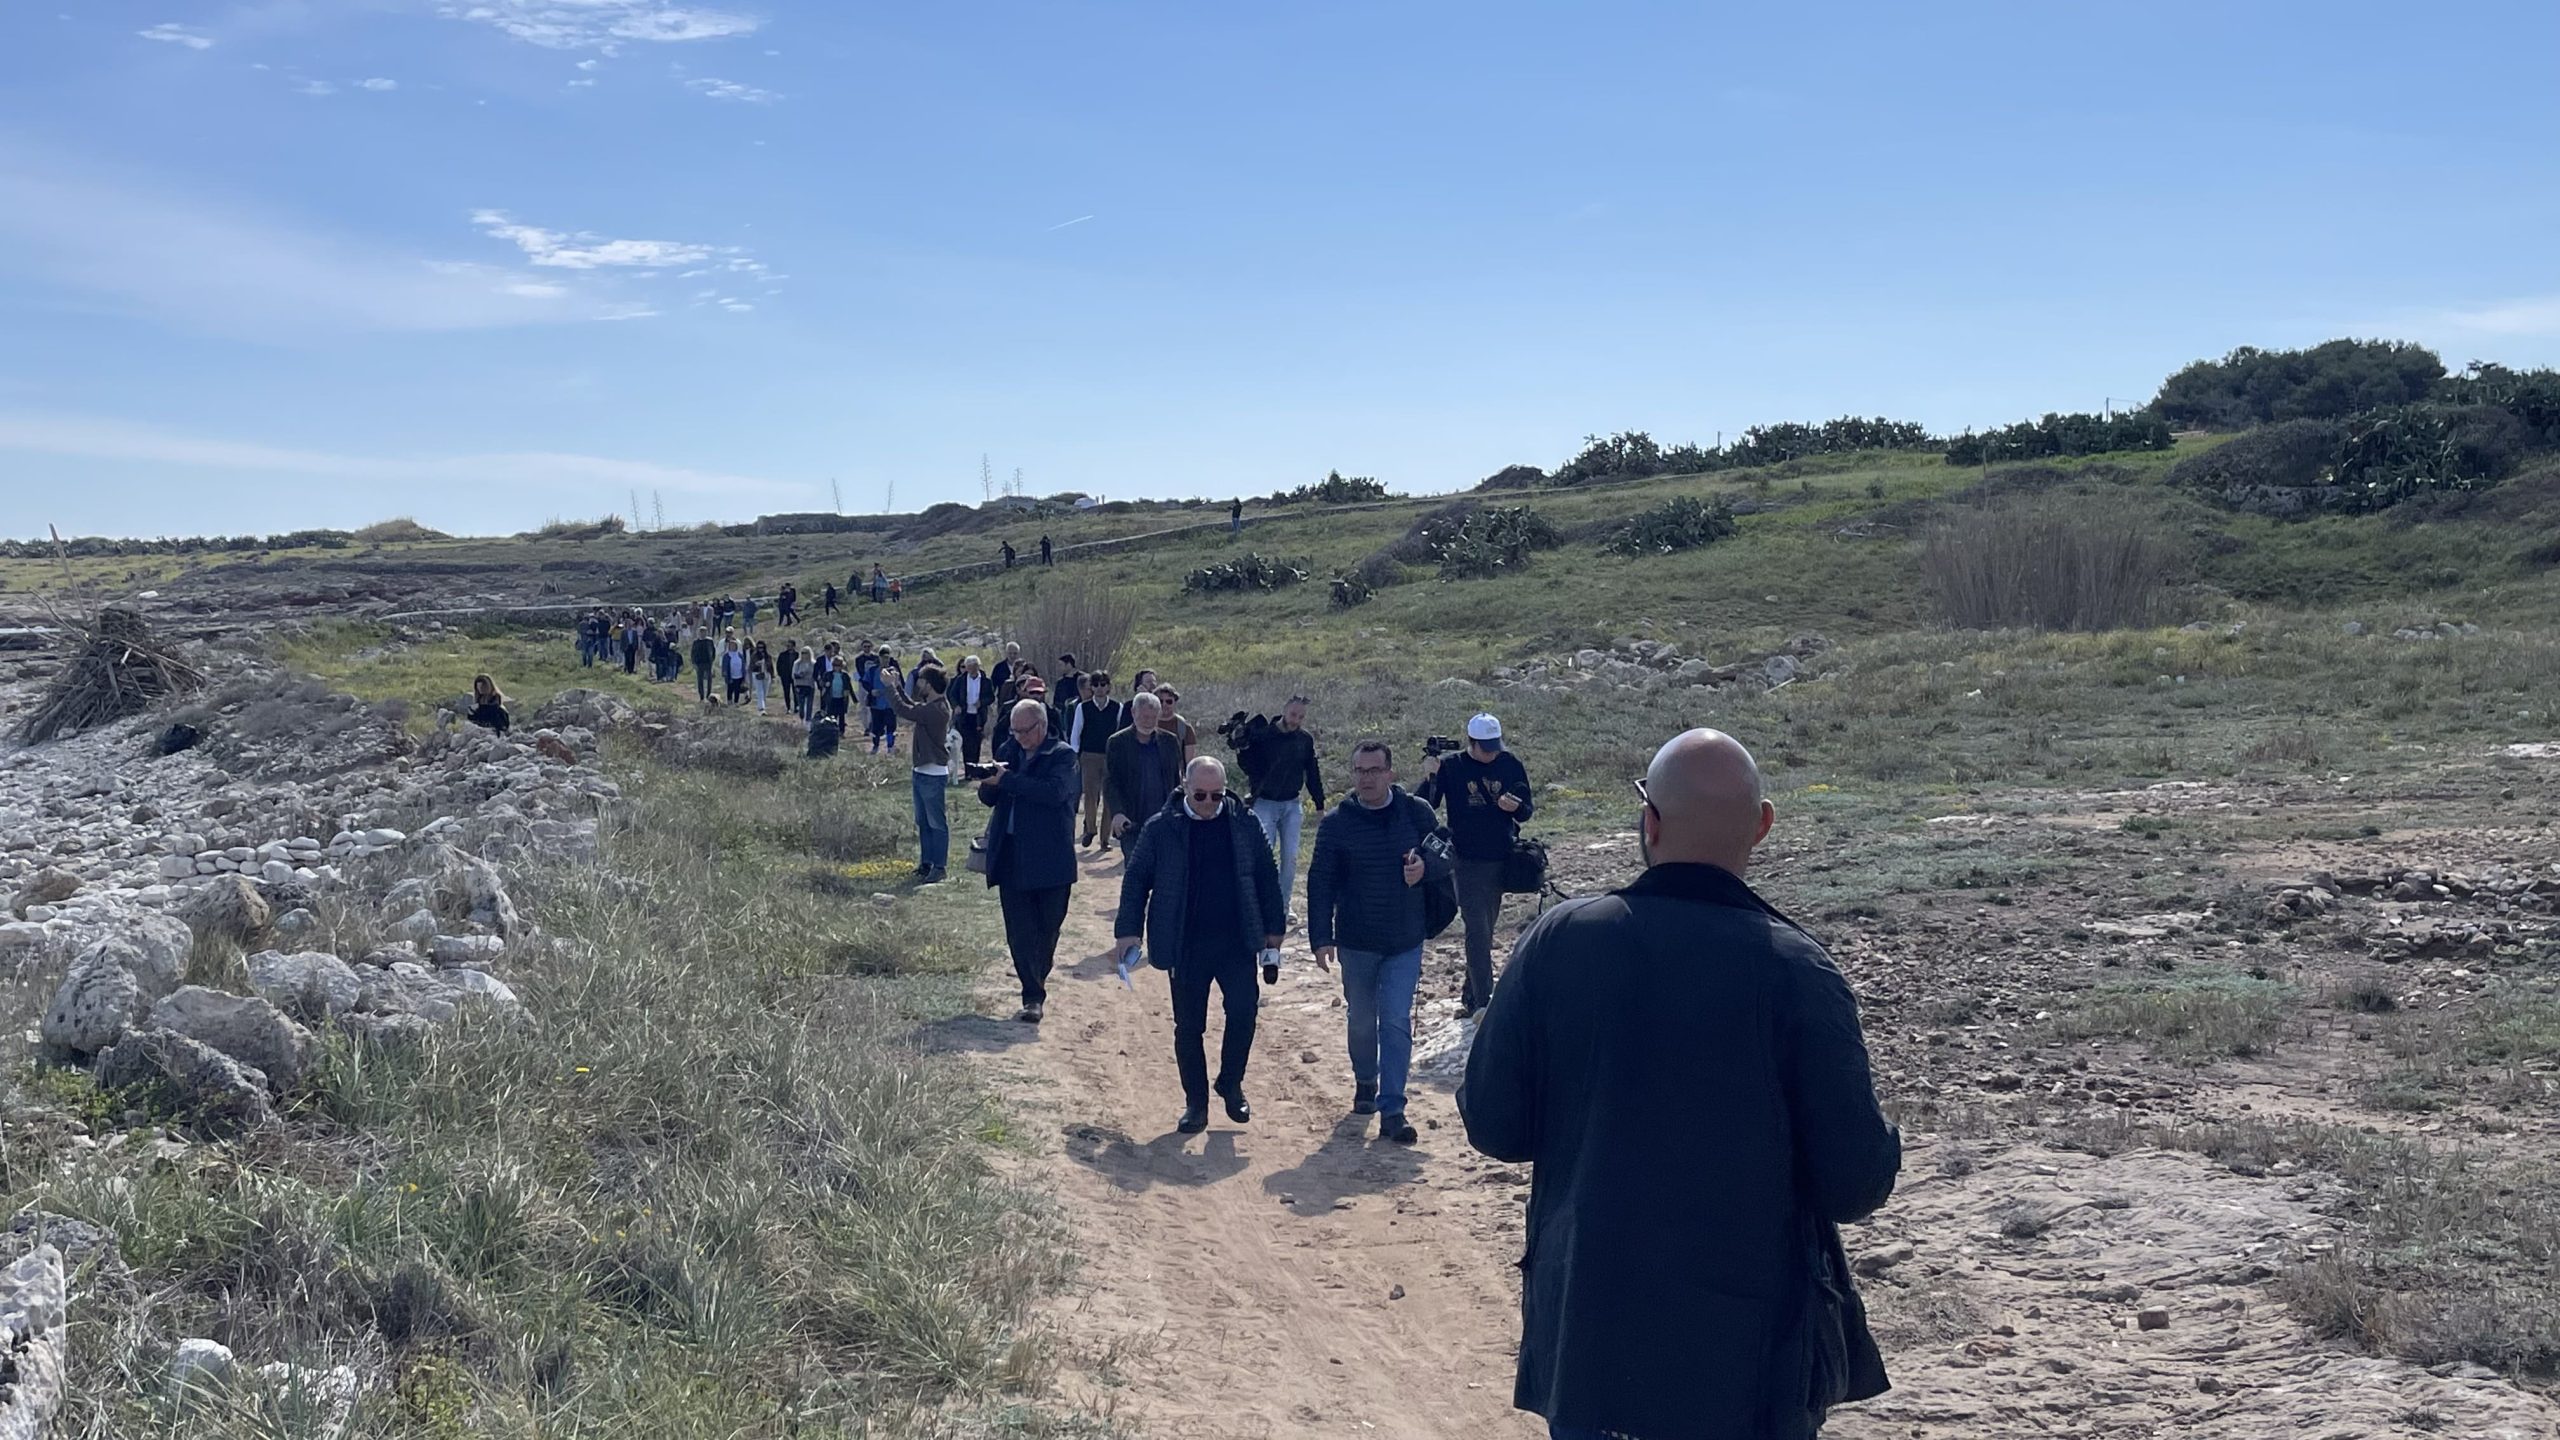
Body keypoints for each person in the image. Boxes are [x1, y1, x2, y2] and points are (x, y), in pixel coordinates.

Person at [1462, 729, 1900, 1440]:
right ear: (1762, 826)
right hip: (1752, 1365)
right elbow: (1855, 1185)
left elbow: (1494, 1125)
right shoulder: (1799, 971)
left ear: (1650, 821)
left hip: (1593, 1345)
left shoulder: (1558, 941)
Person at [1110, 756, 1284, 1134]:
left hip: (1236, 939)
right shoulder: (1161, 828)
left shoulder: (1244, 823)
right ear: (1185, 788)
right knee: (1189, 1026)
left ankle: (1231, 1082)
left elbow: (1267, 876)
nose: (1209, 804)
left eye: (1216, 796)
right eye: (1201, 795)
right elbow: (1137, 879)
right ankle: (1196, 1103)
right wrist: (1128, 930)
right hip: (1185, 942)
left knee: (1244, 1011)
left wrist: (1274, 929)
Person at [1308, 740, 1444, 1144]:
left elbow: (1446, 852)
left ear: (1390, 773)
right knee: (1362, 1021)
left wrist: (1425, 867)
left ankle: (1393, 1109)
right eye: (1359, 771)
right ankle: (1366, 1080)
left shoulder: (1416, 813)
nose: (1366, 778)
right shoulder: (1337, 823)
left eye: (1374, 770)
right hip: (1357, 941)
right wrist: (1321, 937)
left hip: (1405, 938)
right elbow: (1320, 883)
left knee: (1397, 1021)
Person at [1417, 712, 1536, 1019]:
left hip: (1501, 856)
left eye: (1495, 746)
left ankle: (1471, 995)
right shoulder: (1452, 767)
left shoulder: (1510, 764)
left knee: (1487, 925)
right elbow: (1426, 805)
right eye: (1486, 747)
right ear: (1471, 743)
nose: (1492, 752)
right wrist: (1431, 775)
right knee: (1478, 930)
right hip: (1466, 860)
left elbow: (1526, 811)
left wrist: (1517, 807)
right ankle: (1485, 1003)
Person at [980, 699, 1081, 1023]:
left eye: (1025, 731)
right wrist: (987, 779)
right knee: (1019, 932)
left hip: (1051, 859)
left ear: (1041, 726)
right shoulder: (1009, 749)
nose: (1020, 737)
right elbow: (988, 798)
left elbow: (1053, 793)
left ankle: (1038, 978)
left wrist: (1007, 781)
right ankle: (1032, 996)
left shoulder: (1063, 755)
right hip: (1011, 854)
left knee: (1048, 928)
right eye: (1015, 730)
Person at [1245, 696, 1325, 923]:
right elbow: (1249, 766)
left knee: (1290, 859)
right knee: (1264, 856)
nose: (1296, 720)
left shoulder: (1304, 739)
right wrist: (1243, 745)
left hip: (1292, 803)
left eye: (1301, 717)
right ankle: (1262, 904)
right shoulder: (1265, 736)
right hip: (1265, 803)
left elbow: (1312, 771)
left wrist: (1319, 804)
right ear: (1284, 711)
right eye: (1293, 715)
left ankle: (1283, 905)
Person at [884, 665, 955, 879]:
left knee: (936, 823)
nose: (918, 684)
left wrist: (890, 688)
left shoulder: (938, 709)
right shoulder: (931, 706)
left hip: (932, 774)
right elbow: (913, 706)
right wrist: (897, 686)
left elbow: (906, 710)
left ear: (930, 685)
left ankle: (939, 867)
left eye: (922, 681)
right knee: (924, 822)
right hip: (922, 771)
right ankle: (927, 863)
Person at [1105, 692, 1182, 854]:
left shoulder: (1170, 741)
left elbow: (1176, 781)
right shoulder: (1117, 742)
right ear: (1133, 713)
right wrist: (1117, 813)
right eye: (1144, 717)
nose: (1148, 722)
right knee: (1136, 874)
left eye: (1153, 718)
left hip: (1164, 821)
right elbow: (1112, 782)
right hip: (1132, 822)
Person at [1067, 671, 1123, 849]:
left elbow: (1119, 732)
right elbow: (1076, 733)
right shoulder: (1083, 708)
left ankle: (1104, 839)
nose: (1099, 688)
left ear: (1109, 687)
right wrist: (1075, 755)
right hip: (1089, 755)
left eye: (1103, 684)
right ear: (1091, 687)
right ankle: (1090, 828)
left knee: (1109, 798)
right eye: (1096, 684)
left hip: (1110, 756)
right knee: (1090, 795)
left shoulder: (1117, 707)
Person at [951, 655, 996, 767]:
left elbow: (991, 697)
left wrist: (982, 702)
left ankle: (975, 766)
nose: (972, 669)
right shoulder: (960, 680)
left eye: (974, 666)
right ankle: (968, 769)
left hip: (979, 716)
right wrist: (956, 706)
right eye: (969, 667)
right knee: (966, 742)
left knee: (976, 741)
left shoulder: (986, 681)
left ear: (978, 666)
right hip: (965, 715)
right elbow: (952, 694)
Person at [864, 653, 901, 753]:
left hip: (890, 704)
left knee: (891, 726)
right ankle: (875, 746)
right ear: (879, 658)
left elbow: (899, 685)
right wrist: (871, 691)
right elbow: (865, 682)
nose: (885, 660)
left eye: (887, 658)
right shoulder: (872, 671)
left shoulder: (893, 671)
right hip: (876, 704)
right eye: (883, 658)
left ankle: (890, 746)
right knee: (876, 727)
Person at [1155, 684, 1198, 766]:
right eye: (1160, 701)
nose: (1164, 705)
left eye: (1169, 701)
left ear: (1175, 702)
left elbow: (1190, 762)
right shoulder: (1146, 724)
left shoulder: (1184, 727)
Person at [690, 628, 717, 704]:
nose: (702, 633)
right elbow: (693, 653)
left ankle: (709, 695)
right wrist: (694, 663)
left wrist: (712, 660)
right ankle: (701, 696)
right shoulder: (696, 642)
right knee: (700, 680)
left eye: (704, 632)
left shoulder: (709, 641)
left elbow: (713, 651)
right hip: (699, 663)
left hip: (708, 663)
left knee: (709, 680)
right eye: (701, 632)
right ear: (699, 633)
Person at [721, 635, 750, 705]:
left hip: (739, 675)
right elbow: (724, 665)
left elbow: (743, 664)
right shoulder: (726, 656)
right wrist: (724, 672)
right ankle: (729, 701)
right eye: (731, 645)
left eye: (734, 645)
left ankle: (736, 701)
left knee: (737, 689)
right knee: (730, 688)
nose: (732, 647)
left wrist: (744, 674)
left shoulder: (740, 655)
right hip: (730, 675)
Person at [791, 645, 816, 722]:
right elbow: (793, 674)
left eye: (806, 653)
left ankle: (808, 719)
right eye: (802, 653)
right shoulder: (797, 663)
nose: (804, 654)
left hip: (810, 685)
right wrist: (800, 675)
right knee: (801, 704)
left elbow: (815, 674)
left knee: (809, 704)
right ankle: (802, 717)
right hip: (800, 685)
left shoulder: (813, 663)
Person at [749, 640, 775, 714]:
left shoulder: (768, 656)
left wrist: (772, 676)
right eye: (759, 647)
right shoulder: (754, 656)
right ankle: (761, 708)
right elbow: (750, 666)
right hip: (757, 674)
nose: (761, 649)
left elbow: (771, 667)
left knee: (765, 692)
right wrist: (756, 664)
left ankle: (762, 705)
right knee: (760, 691)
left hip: (766, 675)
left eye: (762, 647)